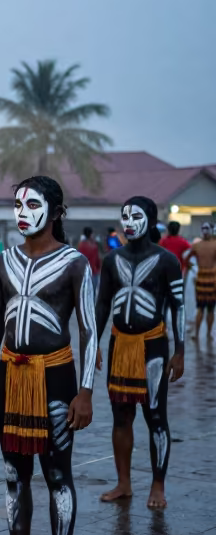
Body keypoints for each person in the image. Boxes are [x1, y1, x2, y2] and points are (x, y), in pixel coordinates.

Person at [0, 176, 96, 535]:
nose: (22, 213)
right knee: (13, 475)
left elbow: (89, 330)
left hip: (56, 379)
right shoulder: (3, 261)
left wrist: (85, 390)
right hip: (12, 375)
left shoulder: (75, 264)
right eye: (18, 205)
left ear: (56, 212)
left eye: (32, 204)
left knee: (58, 474)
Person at [95, 197, 184, 511]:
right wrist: (93, 344)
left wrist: (180, 351)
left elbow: (178, 307)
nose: (129, 223)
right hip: (120, 345)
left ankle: (157, 485)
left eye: (135, 217)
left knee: (156, 415)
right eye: (125, 217)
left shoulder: (166, 261)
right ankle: (124, 482)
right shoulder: (111, 260)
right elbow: (102, 304)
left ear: (150, 220)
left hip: (154, 347)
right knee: (121, 416)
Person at [187, 222, 216, 341]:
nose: (205, 231)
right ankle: (203, 333)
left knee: (206, 308)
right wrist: (194, 269)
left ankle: (204, 333)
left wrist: (194, 269)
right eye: (203, 228)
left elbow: (187, 260)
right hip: (206, 279)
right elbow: (187, 259)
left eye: (206, 228)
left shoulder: (199, 245)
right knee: (204, 308)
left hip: (207, 279)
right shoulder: (198, 245)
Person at [77, 226, 101, 292]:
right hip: (93, 272)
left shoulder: (81, 245)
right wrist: (99, 268)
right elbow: (97, 260)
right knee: (92, 291)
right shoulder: (94, 246)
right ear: (90, 234)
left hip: (83, 272)